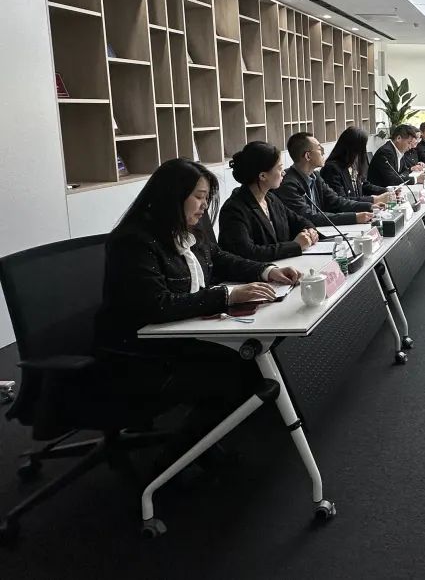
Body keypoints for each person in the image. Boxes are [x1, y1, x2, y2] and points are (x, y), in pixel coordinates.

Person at [97, 159, 302, 469]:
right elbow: (158, 305)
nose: (205, 206)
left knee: (258, 355)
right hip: (141, 351)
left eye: (207, 198)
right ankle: (171, 466)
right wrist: (227, 295)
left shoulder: (190, 229)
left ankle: (213, 441)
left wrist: (267, 271)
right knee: (234, 373)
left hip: (185, 332)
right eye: (199, 197)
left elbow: (221, 259)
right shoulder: (134, 241)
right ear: (172, 196)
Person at [219, 142, 319, 262]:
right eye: (279, 168)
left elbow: (299, 221)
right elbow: (248, 253)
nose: (284, 172)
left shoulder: (271, 199)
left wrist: (309, 231)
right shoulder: (234, 209)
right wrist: (295, 246)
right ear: (263, 176)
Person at [276, 132, 375, 227]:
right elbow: (309, 217)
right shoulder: (288, 184)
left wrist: (370, 206)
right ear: (308, 156)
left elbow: (336, 201)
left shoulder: (315, 176)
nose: (324, 152)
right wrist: (354, 218)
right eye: (320, 149)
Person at [321, 126, 392, 202]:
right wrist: (373, 200)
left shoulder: (353, 163)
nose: (362, 153)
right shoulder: (332, 169)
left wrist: (387, 190)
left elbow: (363, 185)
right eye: (361, 148)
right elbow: (342, 201)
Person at [369, 124, 425, 188]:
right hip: (380, 191)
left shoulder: (398, 151)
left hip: (393, 190)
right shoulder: (386, 152)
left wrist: (400, 177)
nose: (410, 147)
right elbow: (391, 180)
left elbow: (405, 171)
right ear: (398, 138)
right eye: (409, 143)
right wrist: (416, 179)